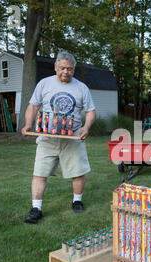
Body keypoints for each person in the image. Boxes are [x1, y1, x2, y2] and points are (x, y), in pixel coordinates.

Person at [21, 51, 96, 224]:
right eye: (62, 68)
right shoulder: (44, 84)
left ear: (74, 69)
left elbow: (90, 111)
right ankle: (36, 209)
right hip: (47, 137)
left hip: (73, 136)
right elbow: (33, 106)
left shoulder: (81, 87)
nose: (65, 72)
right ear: (55, 67)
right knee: (39, 172)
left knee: (78, 172)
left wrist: (86, 126)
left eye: (69, 69)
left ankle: (77, 201)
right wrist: (27, 124)